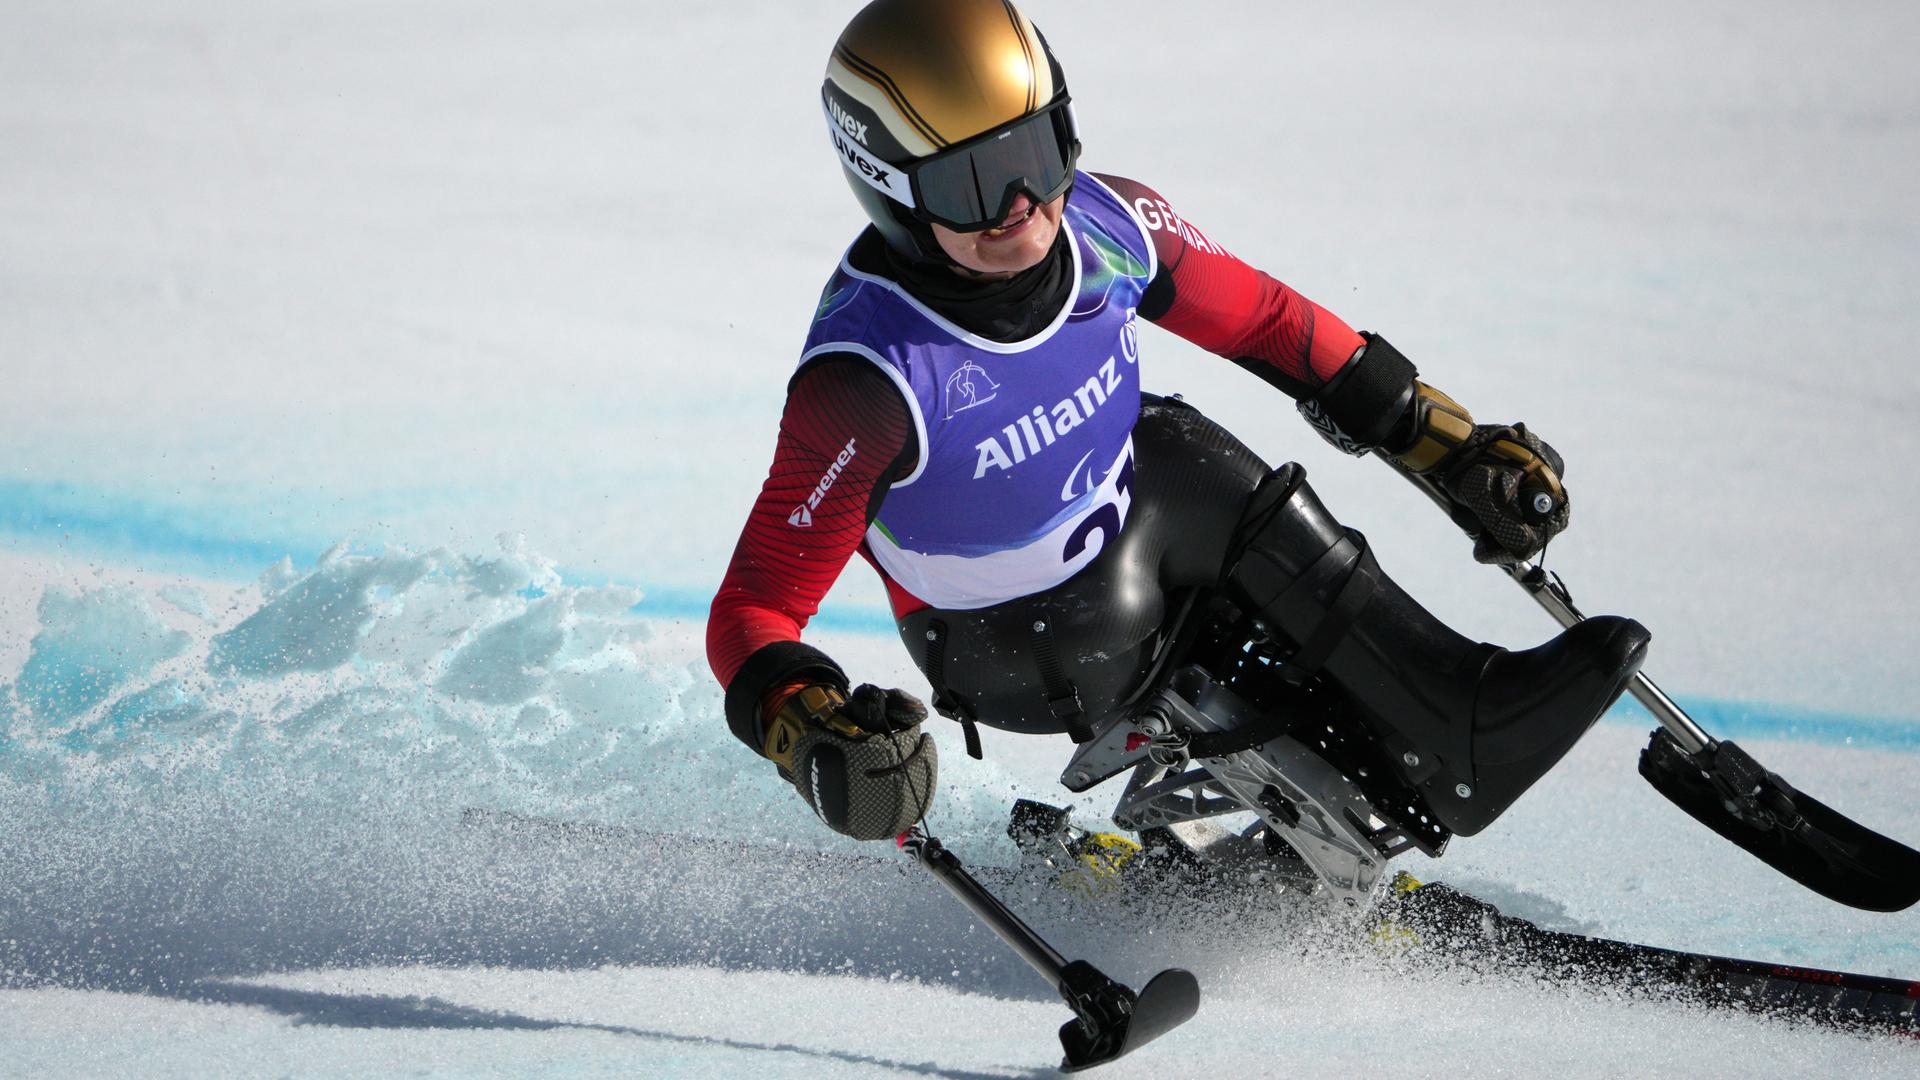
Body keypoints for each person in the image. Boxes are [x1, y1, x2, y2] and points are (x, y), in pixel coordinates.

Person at [707, 0, 1647, 843]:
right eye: (974, 185)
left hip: (1124, 542)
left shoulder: (1113, 226)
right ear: (892, 187)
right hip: (1008, 648)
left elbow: (1272, 324)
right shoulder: (869, 381)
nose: (1024, 205)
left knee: (1172, 443)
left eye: (1036, 154)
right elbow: (754, 608)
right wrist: (809, 725)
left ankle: (1386, 766)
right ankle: (1434, 738)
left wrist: (1440, 438)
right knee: (1180, 454)